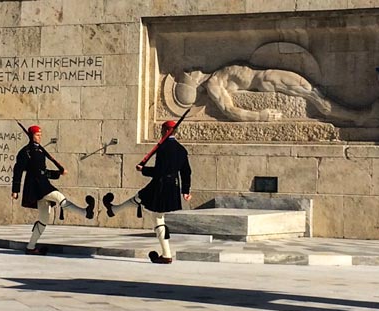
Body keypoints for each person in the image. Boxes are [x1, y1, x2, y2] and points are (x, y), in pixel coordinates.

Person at [102, 120, 192, 264]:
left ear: (164, 130)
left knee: (157, 217)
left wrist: (143, 170)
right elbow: (186, 172)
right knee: (140, 197)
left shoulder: (163, 148)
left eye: (162, 129)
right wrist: (185, 190)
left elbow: (159, 171)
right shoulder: (181, 150)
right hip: (172, 186)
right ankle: (114, 209)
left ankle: (167, 255)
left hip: (160, 185)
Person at [172, 64, 378, 126]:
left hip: (268, 76)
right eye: (191, 75)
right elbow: (229, 110)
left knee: (315, 93)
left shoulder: (215, 74)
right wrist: (260, 116)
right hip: (267, 79)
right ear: (195, 84)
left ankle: (356, 116)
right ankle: (357, 117)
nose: (193, 70)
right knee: (315, 97)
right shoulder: (213, 84)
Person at [12, 125, 95, 255]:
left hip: (43, 183)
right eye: (37, 135)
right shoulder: (25, 152)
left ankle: (30, 247)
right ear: (31, 135)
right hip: (35, 186)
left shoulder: (40, 150)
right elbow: (17, 170)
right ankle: (85, 212)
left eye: (40, 135)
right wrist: (15, 189)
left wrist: (58, 173)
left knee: (44, 219)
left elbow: (42, 172)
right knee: (59, 197)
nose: (40, 137)